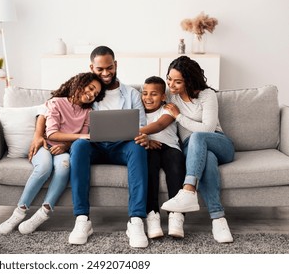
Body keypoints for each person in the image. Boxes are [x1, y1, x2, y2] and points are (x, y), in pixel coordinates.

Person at [0, 72, 105, 235]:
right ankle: (19, 212)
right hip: (45, 146)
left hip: (63, 149)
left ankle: (44, 212)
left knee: (64, 167)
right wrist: (82, 136)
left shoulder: (88, 112)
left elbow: (80, 138)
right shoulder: (56, 103)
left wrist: (67, 145)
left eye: (95, 94)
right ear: (79, 84)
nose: (91, 94)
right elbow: (53, 134)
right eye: (90, 88)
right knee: (44, 167)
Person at [65, 46, 149, 248]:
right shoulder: (85, 92)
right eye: (99, 69)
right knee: (78, 147)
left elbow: (142, 126)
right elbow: (54, 107)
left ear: (116, 65)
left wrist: (143, 136)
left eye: (109, 68)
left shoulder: (131, 94)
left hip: (122, 147)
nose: (105, 73)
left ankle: (136, 220)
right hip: (93, 146)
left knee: (138, 149)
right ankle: (82, 220)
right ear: (91, 67)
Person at [160, 55, 235, 243]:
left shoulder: (206, 95)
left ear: (189, 80)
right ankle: (218, 219)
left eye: (178, 81)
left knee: (198, 136)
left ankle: (188, 190)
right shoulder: (170, 95)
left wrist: (178, 116)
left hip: (219, 142)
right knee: (207, 160)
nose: (171, 84)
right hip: (192, 150)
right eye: (169, 79)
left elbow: (208, 129)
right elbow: (148, 93)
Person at [139, 76, 185, 239]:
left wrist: (133, 131)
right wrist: (147, 140)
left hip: (170, 148)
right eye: (145, 93)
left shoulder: (169, 108)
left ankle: (176, 215)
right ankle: (152, 215)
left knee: (176, 165)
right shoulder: (137, 113)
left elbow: (159, 125)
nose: (148, 98)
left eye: (154, 94)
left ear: (163, 96)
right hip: (150, 148)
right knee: (149, 168)